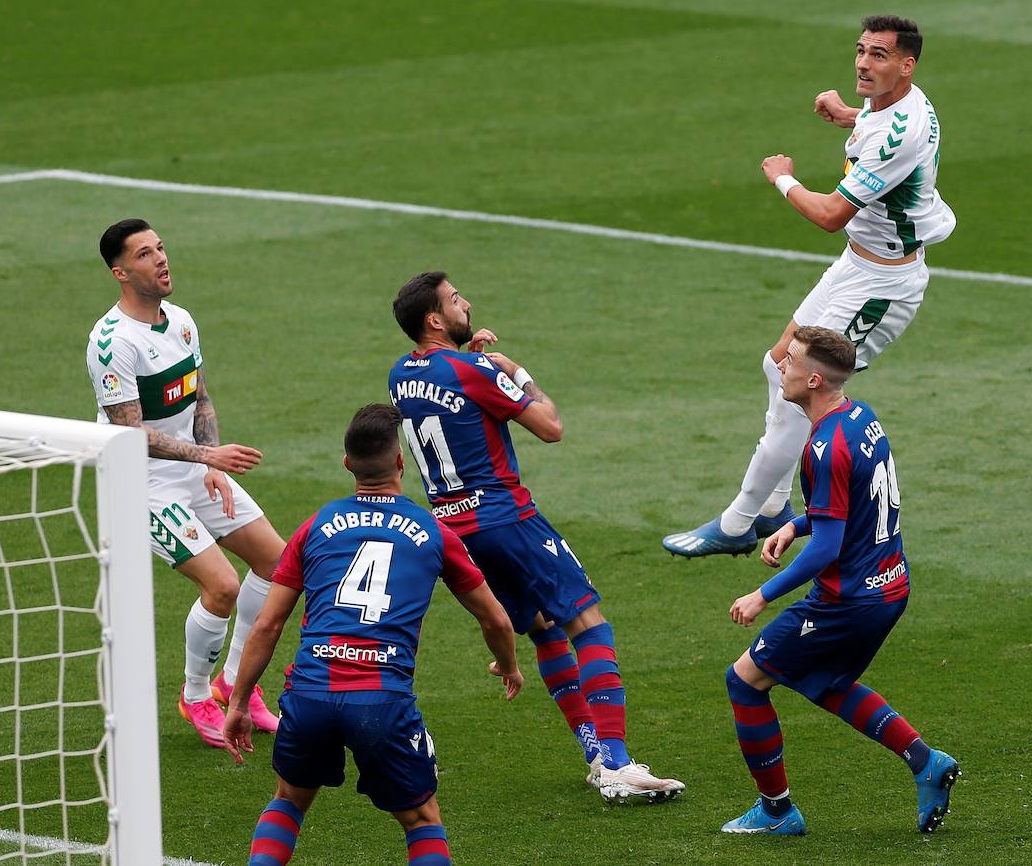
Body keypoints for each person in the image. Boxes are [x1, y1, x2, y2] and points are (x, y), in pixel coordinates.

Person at [663, 14, 956, 558]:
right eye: (861, 50)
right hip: (857, 264)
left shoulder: (900, 133)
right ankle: (773, 507)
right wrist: (850, 115)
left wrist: (781, 176)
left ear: (906, 64)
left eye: (880, 55)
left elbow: (828, 213)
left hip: (883, 285)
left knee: (805, 395)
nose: (865, 63)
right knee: (778, 365)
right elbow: (876, 123)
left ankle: (736, 521)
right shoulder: (894, 101)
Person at [388, 272, 684, 804]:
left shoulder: (399, 375)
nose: (467, 303)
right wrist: (515, 372)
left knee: (546, 630)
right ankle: (617, 764)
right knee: (587, 622)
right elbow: (550, 426)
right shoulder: (474, 369)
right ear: (435, 319)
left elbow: (451, 396)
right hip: (506, 518)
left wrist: (475, 367)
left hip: (454, 531)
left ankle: (595, 754)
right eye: (456, 300)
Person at [223, 404, 521, 866]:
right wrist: (508, 664)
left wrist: (239, 702)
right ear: (401, 463)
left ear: (347, 465)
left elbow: (267, 623)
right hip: (381, 700)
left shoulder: (316, 525)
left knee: (287, 801)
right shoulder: (433, 531)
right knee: (422, 820)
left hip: (310, 694)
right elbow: (496, 620)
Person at [721, 326, 959, 836]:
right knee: (825, 681)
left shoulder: (824, 447)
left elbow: (828, 548)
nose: (780, 365)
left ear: (811, 379)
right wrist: (795, 522)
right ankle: (925, 762)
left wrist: (761, 595)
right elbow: (853, 506)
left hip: (848, 598)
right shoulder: (860, 418)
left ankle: (777, 812)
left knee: (745, 680)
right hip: (890, 585)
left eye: (790, 362)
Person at [86, 218, 285, 746]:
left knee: (278, 562)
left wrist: (212, 465)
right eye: (146, 254)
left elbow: (200, 398)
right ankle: (195, 697)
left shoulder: (181, 322)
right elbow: (130, 433)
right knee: (220, 586)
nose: (162, 259)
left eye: (161, 248)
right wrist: (207, 454)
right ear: (121, 272)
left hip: (195, 467)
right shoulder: (111, 343)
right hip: (142, 484)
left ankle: (237, 686)